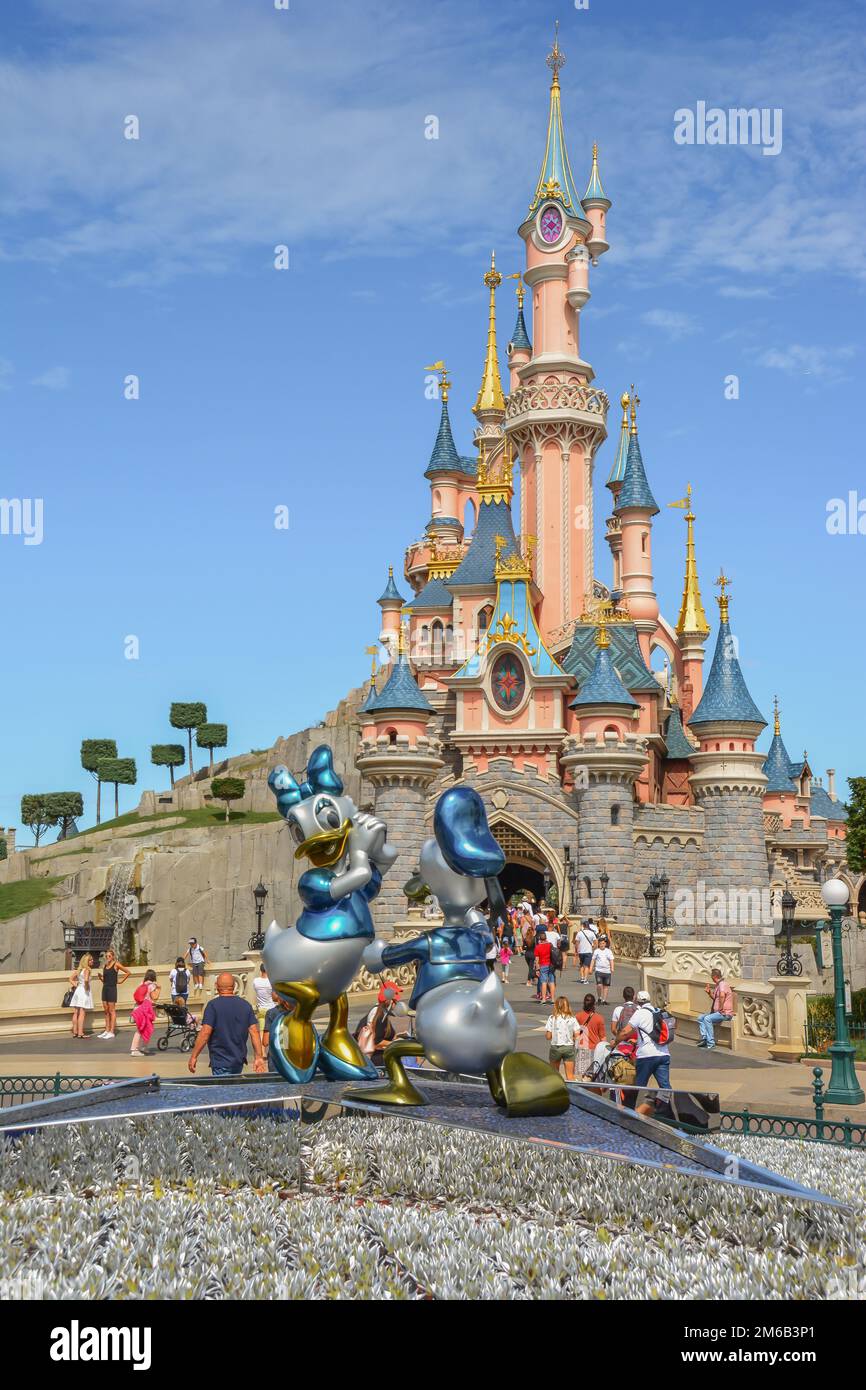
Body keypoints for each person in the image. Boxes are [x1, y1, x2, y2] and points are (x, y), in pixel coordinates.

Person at [188, 971, 266, 1076]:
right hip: (238, 1060)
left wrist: (194, 1056)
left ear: (216, 986)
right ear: (234, 986)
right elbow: (254, 1032)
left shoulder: (213, 1006)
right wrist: (259, 1057)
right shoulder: (245, 1005)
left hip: (220, 1060)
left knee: (222, 1090)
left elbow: (205, 1033)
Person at [615, 988, 671, 1097]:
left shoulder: (639, 1013)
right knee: (665, 1087)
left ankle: (630, 1110)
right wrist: (637, 1040)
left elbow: (625, 1032)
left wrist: (615, 1042)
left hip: (646, 1056)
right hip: (664, 1054)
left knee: (637, 1087)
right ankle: (666, 1109)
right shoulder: (658, 1011)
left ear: (637, 1001)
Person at [697, 968, 735, 1050]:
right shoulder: (718, 985)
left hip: (725, 1013)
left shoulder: (722, 984)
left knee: (707, 1019)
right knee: (700, 1017)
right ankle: (705, 1039)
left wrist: (720, 1008)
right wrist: (709, 993)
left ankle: (711, 1043)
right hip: (718, 1013)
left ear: (714, 976)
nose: (711, 978)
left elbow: (722, 996)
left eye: (711, 976)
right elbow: (716, 998)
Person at [97, 949, 129, 1040]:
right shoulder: (105, 965)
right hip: (105, 988)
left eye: (109, 956)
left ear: (113, 956)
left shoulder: (116, 964)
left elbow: (128, 972)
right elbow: (105, 980)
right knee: (106, 1010)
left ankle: (112, 1031)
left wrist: (121, 981)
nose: (108, 957)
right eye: (106, 956)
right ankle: (106, 1030)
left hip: (112, 989)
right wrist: (100, 978)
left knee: (112, 1010)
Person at [574, 992, 606, 1078]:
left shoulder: (577, 1017)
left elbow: (574, 1034)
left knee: (580, 1077)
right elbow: (603, 1037)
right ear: (594, 1004)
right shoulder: (599, 1018)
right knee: (592, 1078)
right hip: (594, 1050)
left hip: (582, 1049)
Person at [545, 997, 577, 1081]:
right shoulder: (572, 1018)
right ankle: (572, 1092)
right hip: (568, 1047)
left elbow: (548, 1036)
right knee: (570, 1076)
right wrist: (572, 1038)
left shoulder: (552, 1018)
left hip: (556, 1047)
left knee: (555, 1075)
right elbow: (577, 1034)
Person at [130, 970, 161, 1056]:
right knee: (142, 1029)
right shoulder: (152, 985)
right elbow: (155, 997)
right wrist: (159, 989)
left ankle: (143, 1047)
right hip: (145, 1010)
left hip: (138, 1008)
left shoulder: (142, 984)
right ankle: (135, 1049)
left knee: (144, 1028)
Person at [262, 990, 293, 1071]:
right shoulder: (296, 1012)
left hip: (276, 1058)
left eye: (272, 991)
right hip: (293, 1058)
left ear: (277, 995)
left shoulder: (271, 1013)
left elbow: (265, 1042)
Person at [69, 954, 94, 1039]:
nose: (92, 961)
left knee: (76, 1012)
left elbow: (70, 979)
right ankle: (80, 1033)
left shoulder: (79, 970)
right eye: (90, 960)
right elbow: (86, 980)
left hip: (78, 991)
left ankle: (75, 1032)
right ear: (86, 961)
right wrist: (86, 987)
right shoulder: (87, 970)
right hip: (83, 991)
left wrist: (76, 985)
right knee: (82, 1013)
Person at [590, 934, 614, 1004]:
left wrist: (612, 968)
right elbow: (593, 960)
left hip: (607, 971)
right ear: (599, 944)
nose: (602, 945)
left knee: (606, 986)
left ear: (605, 944)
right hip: (599, 970)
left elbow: (611, 960)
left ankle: (604, 1000)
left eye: (603, 943)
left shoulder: (608, 951)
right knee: (599, 985)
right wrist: (591, 968)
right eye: (600, 943)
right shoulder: (596, 951)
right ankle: (599, 997)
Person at [534, 931, 555, 1004]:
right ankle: (552, 999)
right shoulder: (550, 945)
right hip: (551, 965)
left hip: (543, 965)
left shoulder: (538, 947)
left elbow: (537, 959)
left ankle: (544, 999)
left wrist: (537, 969)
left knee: (544, 982)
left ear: (539, 939)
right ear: (546, 938)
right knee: (551, 982)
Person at [252, 963, 273, 1032]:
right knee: (272, 1031)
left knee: (262, 1031)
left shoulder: (256, 981)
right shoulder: (271, 981)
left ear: (261, 970)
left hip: (261, 1009)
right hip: (271, 1008)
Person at [522, 922, 536, 988]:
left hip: (527, 954)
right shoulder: (534, 939)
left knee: (530, 967)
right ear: (532, 932)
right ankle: (528, 981)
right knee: (531, 968)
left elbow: (523, 947)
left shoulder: (525, 939)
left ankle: (532, 977)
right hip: (532, 954)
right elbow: (536, 947)